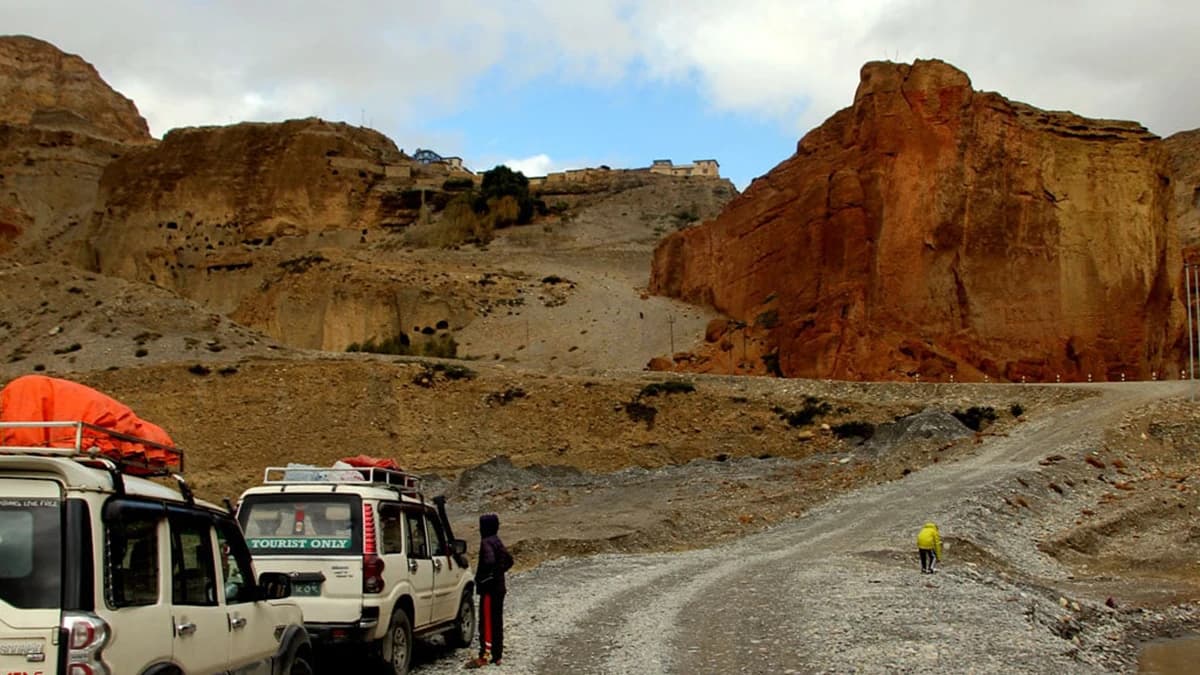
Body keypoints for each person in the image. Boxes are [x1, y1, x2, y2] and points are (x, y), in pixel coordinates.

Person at [465, 513, 513, 669]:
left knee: (486, 622)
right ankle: (497, 656)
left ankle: (485, 656)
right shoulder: (497, 540)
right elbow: (509, 560)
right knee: (497, 621)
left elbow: (489, 561)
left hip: (489, 591)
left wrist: (483, 579)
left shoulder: (486, 542)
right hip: (499, 588)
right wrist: (499, 573)